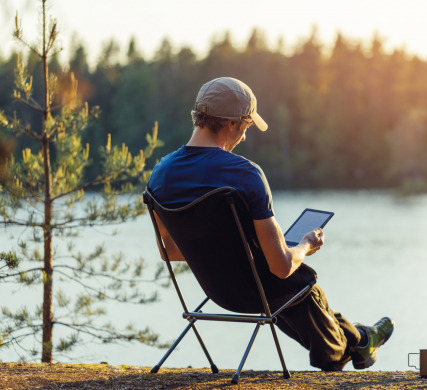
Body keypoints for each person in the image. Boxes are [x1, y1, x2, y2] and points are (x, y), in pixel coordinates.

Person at [147, 77, 394, 371]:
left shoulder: (160, 175)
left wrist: (222, 251)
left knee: (290, 290)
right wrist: (305, 244)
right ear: (230, 124)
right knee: (303, 285)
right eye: (246, 127)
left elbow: (170, 251)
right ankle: (354, 345)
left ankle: (362, 337)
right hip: (267, 292)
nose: (245, 137)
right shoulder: (245, 175)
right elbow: (281, 267)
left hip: (219, 293)